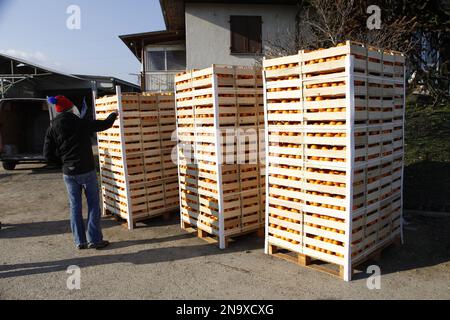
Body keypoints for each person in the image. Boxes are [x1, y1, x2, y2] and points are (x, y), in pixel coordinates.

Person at [44, 95, 117, 250]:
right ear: (70, 108)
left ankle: (80, 241)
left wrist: (62, 163)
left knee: (75, 207)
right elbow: (104, 124)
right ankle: (95, 240)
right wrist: (114, 114)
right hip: (86, 170)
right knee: (93, 205)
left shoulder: (52, 128)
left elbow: (47, 155)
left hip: (68, 173)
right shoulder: (80, 123)